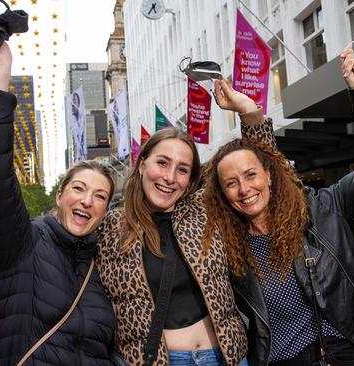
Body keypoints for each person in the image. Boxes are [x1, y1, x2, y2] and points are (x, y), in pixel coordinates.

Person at [201, 48, 354, 365]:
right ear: (222, 193)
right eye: (231, 183)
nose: (244, 189)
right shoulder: (228, 244)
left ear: (269, 174)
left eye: (251, 175)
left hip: (339, 355)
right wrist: (249, 111)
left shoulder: (323, 208)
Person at [0, 27, 117, 365]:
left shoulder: (105, 262)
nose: (86, 201)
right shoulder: (24, 243)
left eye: (99, 196)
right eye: (79, 189)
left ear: (106, 210)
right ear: (60, 194)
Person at [95, 78, 262, 366]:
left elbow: (260, 167)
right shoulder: (110, 227)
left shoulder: (206, 210)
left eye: (182, 169)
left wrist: (248, 110)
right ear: (142, 162)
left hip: (226, 357)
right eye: (162, 162)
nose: (170, 177)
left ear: (190, 180)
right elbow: (62, 250)